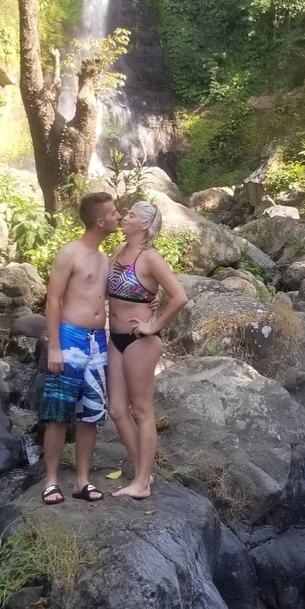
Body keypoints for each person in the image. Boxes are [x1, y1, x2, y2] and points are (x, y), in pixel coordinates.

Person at [40, 191, 120, 505]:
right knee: (58, 411)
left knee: (91, 414)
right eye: (114, 213)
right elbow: (53, 300)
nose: (118, 216)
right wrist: (55, 346)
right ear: (100, 221)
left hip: (97, 341)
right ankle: (50, 481)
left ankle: (82, 481)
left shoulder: (104, 258)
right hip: (70, 338)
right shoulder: (69, 253)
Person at [107, 201, 188, 500]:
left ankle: (141, 482)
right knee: (117, 410)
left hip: (140, 341)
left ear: (144, 224)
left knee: (141, 410)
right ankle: (144, 472)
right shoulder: (118, 250)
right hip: (115, 338)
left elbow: (179, 296)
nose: (124, 218)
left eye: (130, 215)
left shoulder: (150, 258)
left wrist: (154, 324)